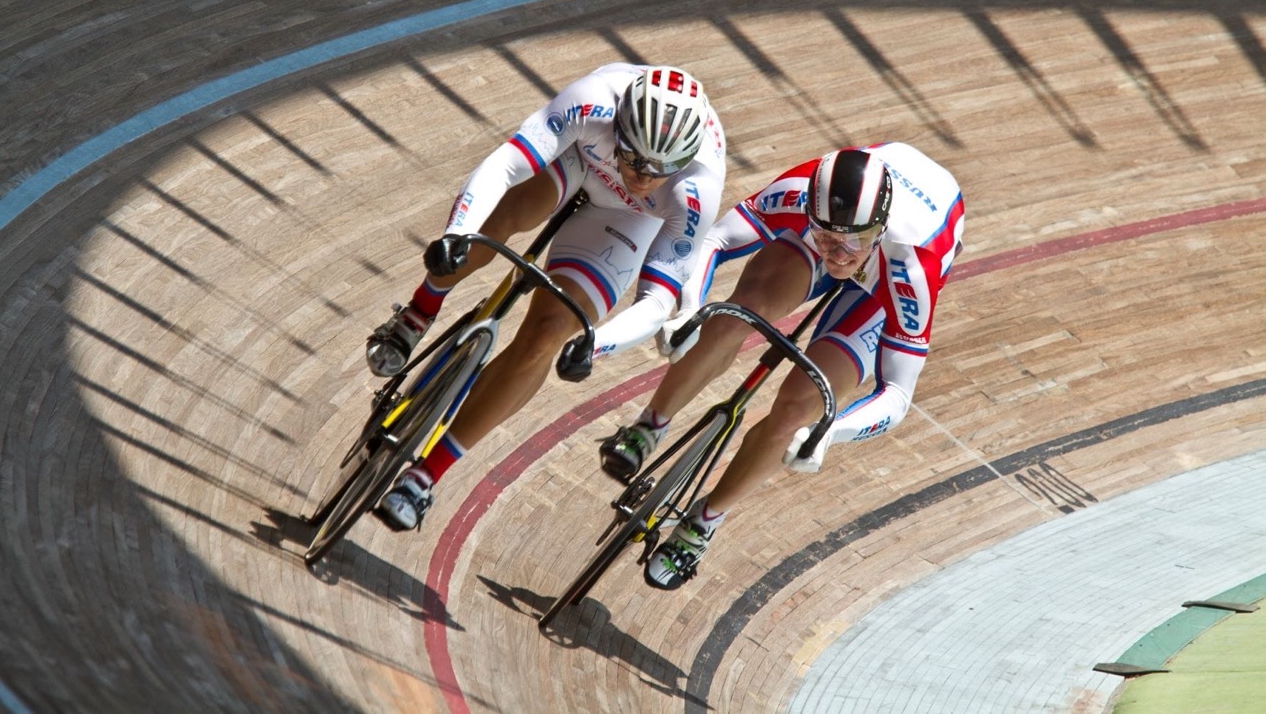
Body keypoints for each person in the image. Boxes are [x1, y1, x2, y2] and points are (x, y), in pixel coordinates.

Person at [365, 62, 727, 531]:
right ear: (621, 126)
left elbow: (658, 302)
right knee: (506, 216)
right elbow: (506, 164)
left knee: (549, 335)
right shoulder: (593, 101)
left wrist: (593, 343)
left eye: (662, 169)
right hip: (582, 158)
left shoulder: (696, 188)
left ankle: (425, 475)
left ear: (686, 160)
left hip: (631, 219)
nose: (643, 176)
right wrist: (458, 232)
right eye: (635, 158)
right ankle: (418, 313)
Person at [599, 142, 965, 589]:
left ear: (880, 227)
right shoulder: (798, 191)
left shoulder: (913, 266)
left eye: (855, 242)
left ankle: (705, 522)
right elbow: (715, 239)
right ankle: (650, 425)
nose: (841, 255)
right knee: (736, 313)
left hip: (884, 276)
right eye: (829, 239)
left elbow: (898, 396)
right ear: (810, 213)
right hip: (845, 234)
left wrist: (832, 430)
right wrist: (690, 309)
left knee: (798, 413)